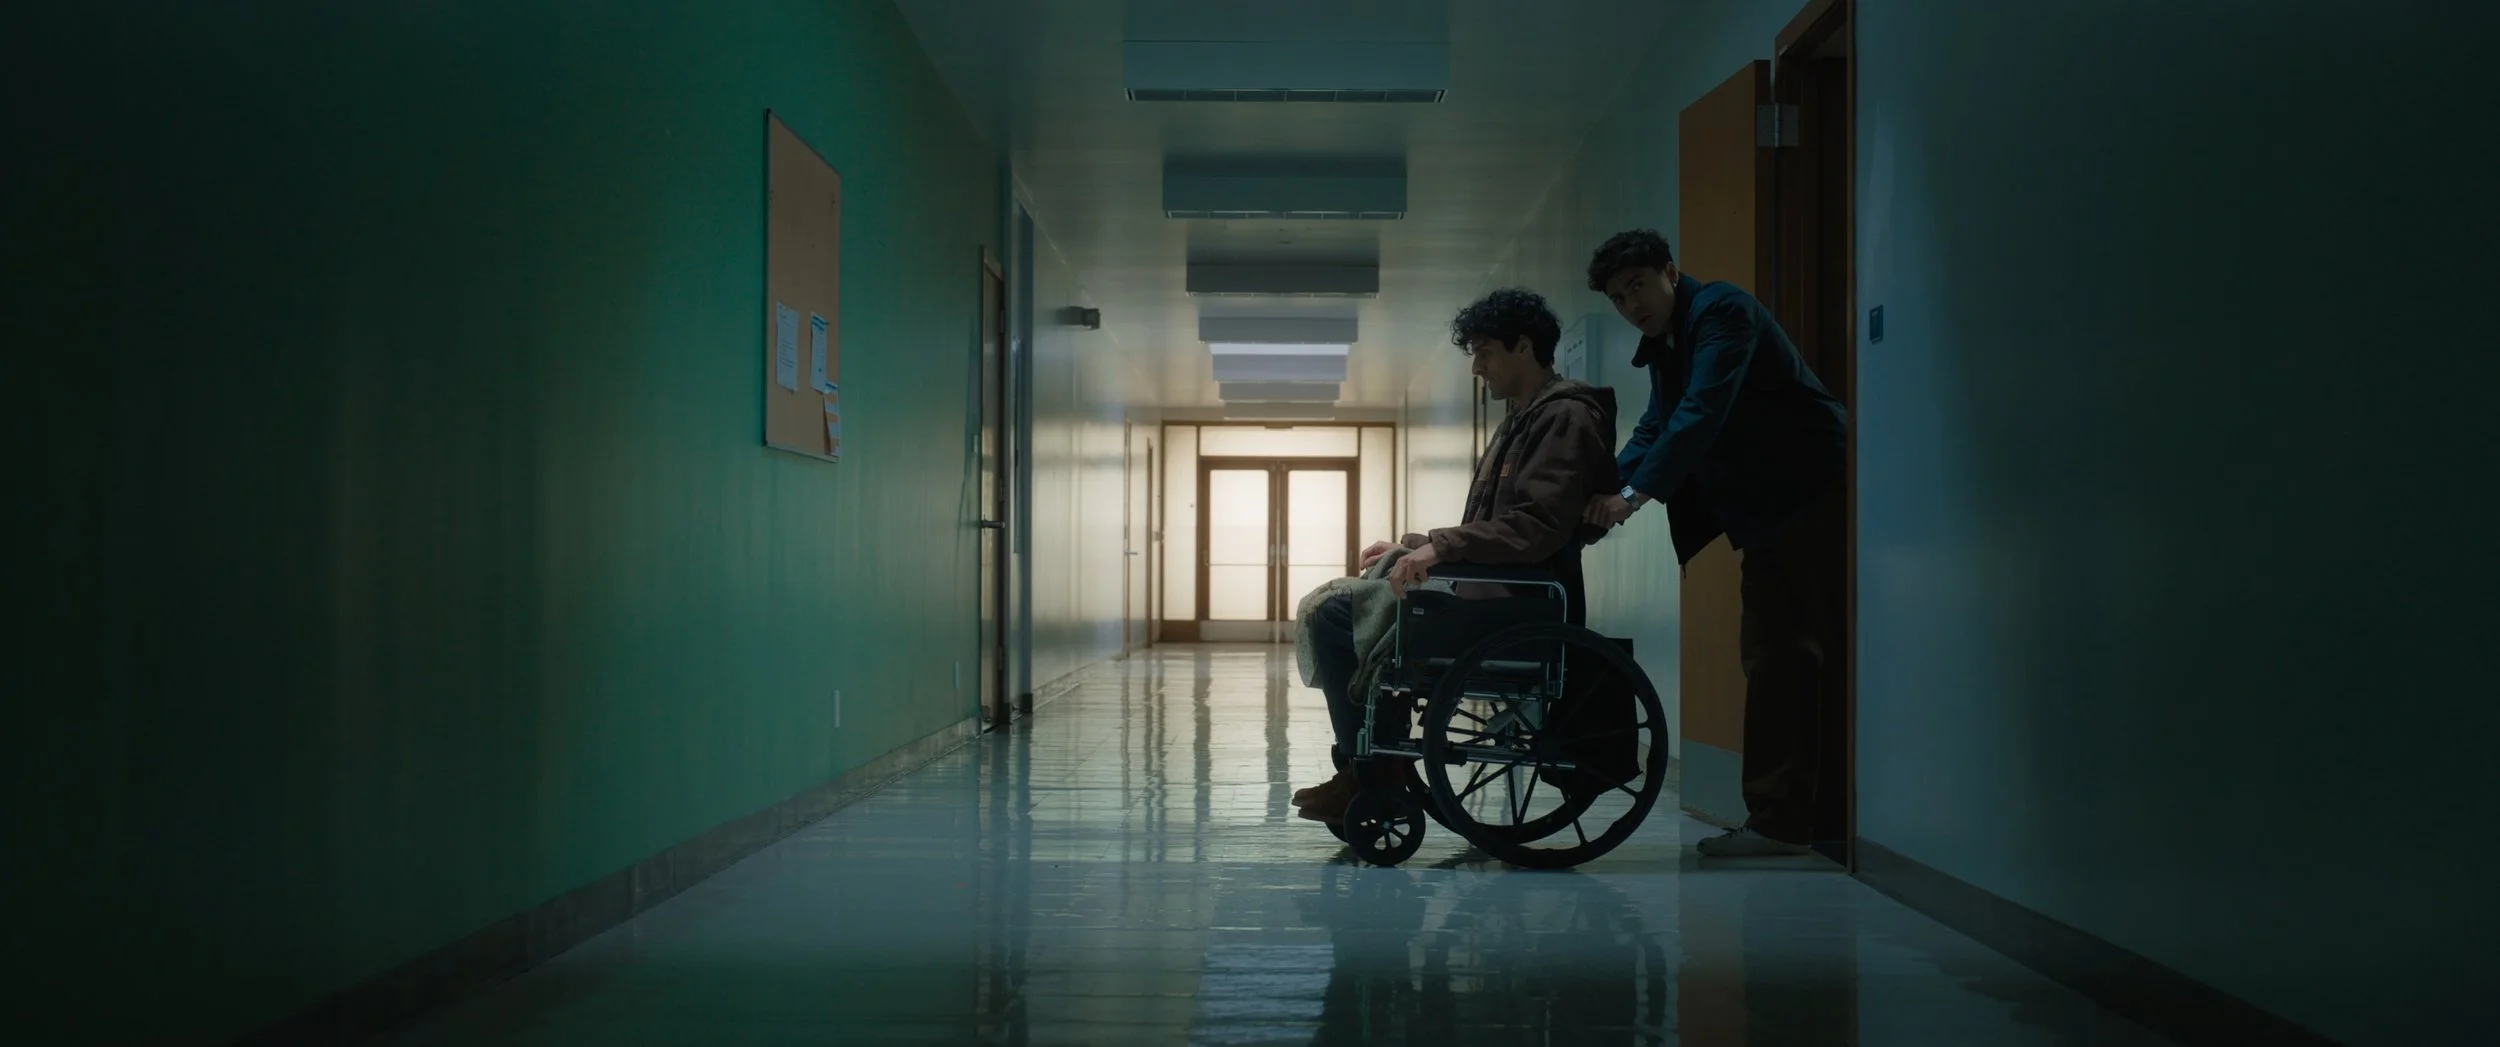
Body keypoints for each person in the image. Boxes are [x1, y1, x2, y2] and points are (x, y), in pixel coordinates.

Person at [1292, 288, 1618, 824]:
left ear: (1524, 347)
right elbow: (1497, 529)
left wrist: (1440, 546)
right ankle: (1368, 767)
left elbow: (1536, 528)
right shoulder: (1524, 419)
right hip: (1493, 591)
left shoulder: (1565, 417)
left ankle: (1370, 772)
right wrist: (1416, 545)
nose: (1476, 367)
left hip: (1517, 602)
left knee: (1337, 616)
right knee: (1358, 605)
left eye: (1485, 352)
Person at [1580, 228, 1849, 857]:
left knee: (1782, 652)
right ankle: (1793, 818)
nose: (1631, 306)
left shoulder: (1723, 311)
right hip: (1772, 509)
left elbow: (1702, 410)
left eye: (1638, 287)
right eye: (1618, 298)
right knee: (1779, 651)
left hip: (1811, 494)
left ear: (1671, 273)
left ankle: (1783, 824)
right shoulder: (1666, 341)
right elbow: (1656, 424)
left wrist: (1631, 497)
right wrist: (1593, 497)